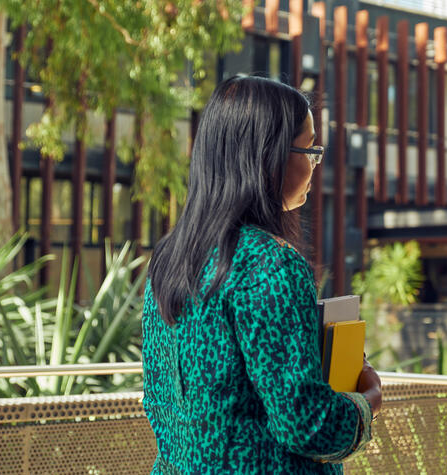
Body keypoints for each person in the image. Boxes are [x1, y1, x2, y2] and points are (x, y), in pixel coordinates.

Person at [141, 75, 382, 474]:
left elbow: (158, 400)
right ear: (268, 156)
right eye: (310, 150)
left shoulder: (169, 257)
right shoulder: (271, 265)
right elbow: (308, 425)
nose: (314, 164)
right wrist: (365, 402)